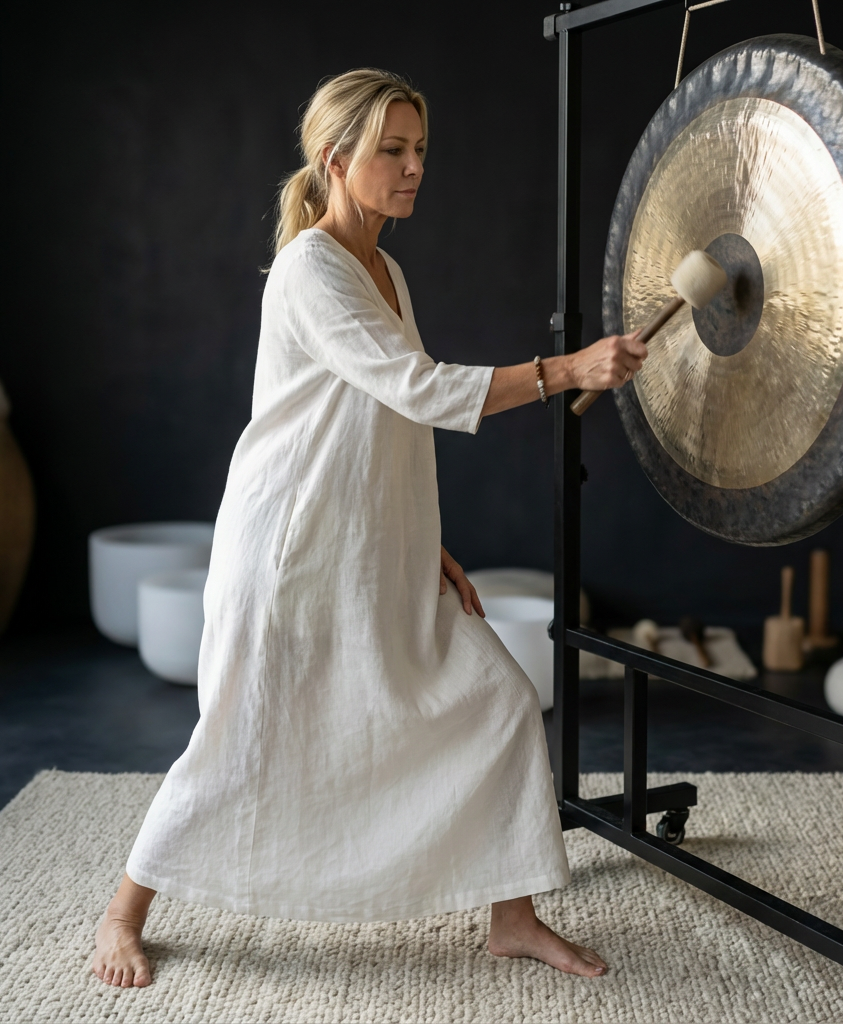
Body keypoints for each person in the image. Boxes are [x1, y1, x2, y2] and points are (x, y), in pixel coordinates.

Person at [92, 68, 647, 989]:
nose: (414, 166)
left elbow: (382, 419)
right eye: (393, 149)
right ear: (335, 158)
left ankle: (512, 917)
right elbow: (423, 390)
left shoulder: (388, 269)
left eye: (420, 149)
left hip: (366, 547)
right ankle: (121, 914)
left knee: (499, 702)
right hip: (291, 553)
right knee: (240, 740)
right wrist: (569, 368)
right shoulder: (314, 267)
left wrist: (419, 540)